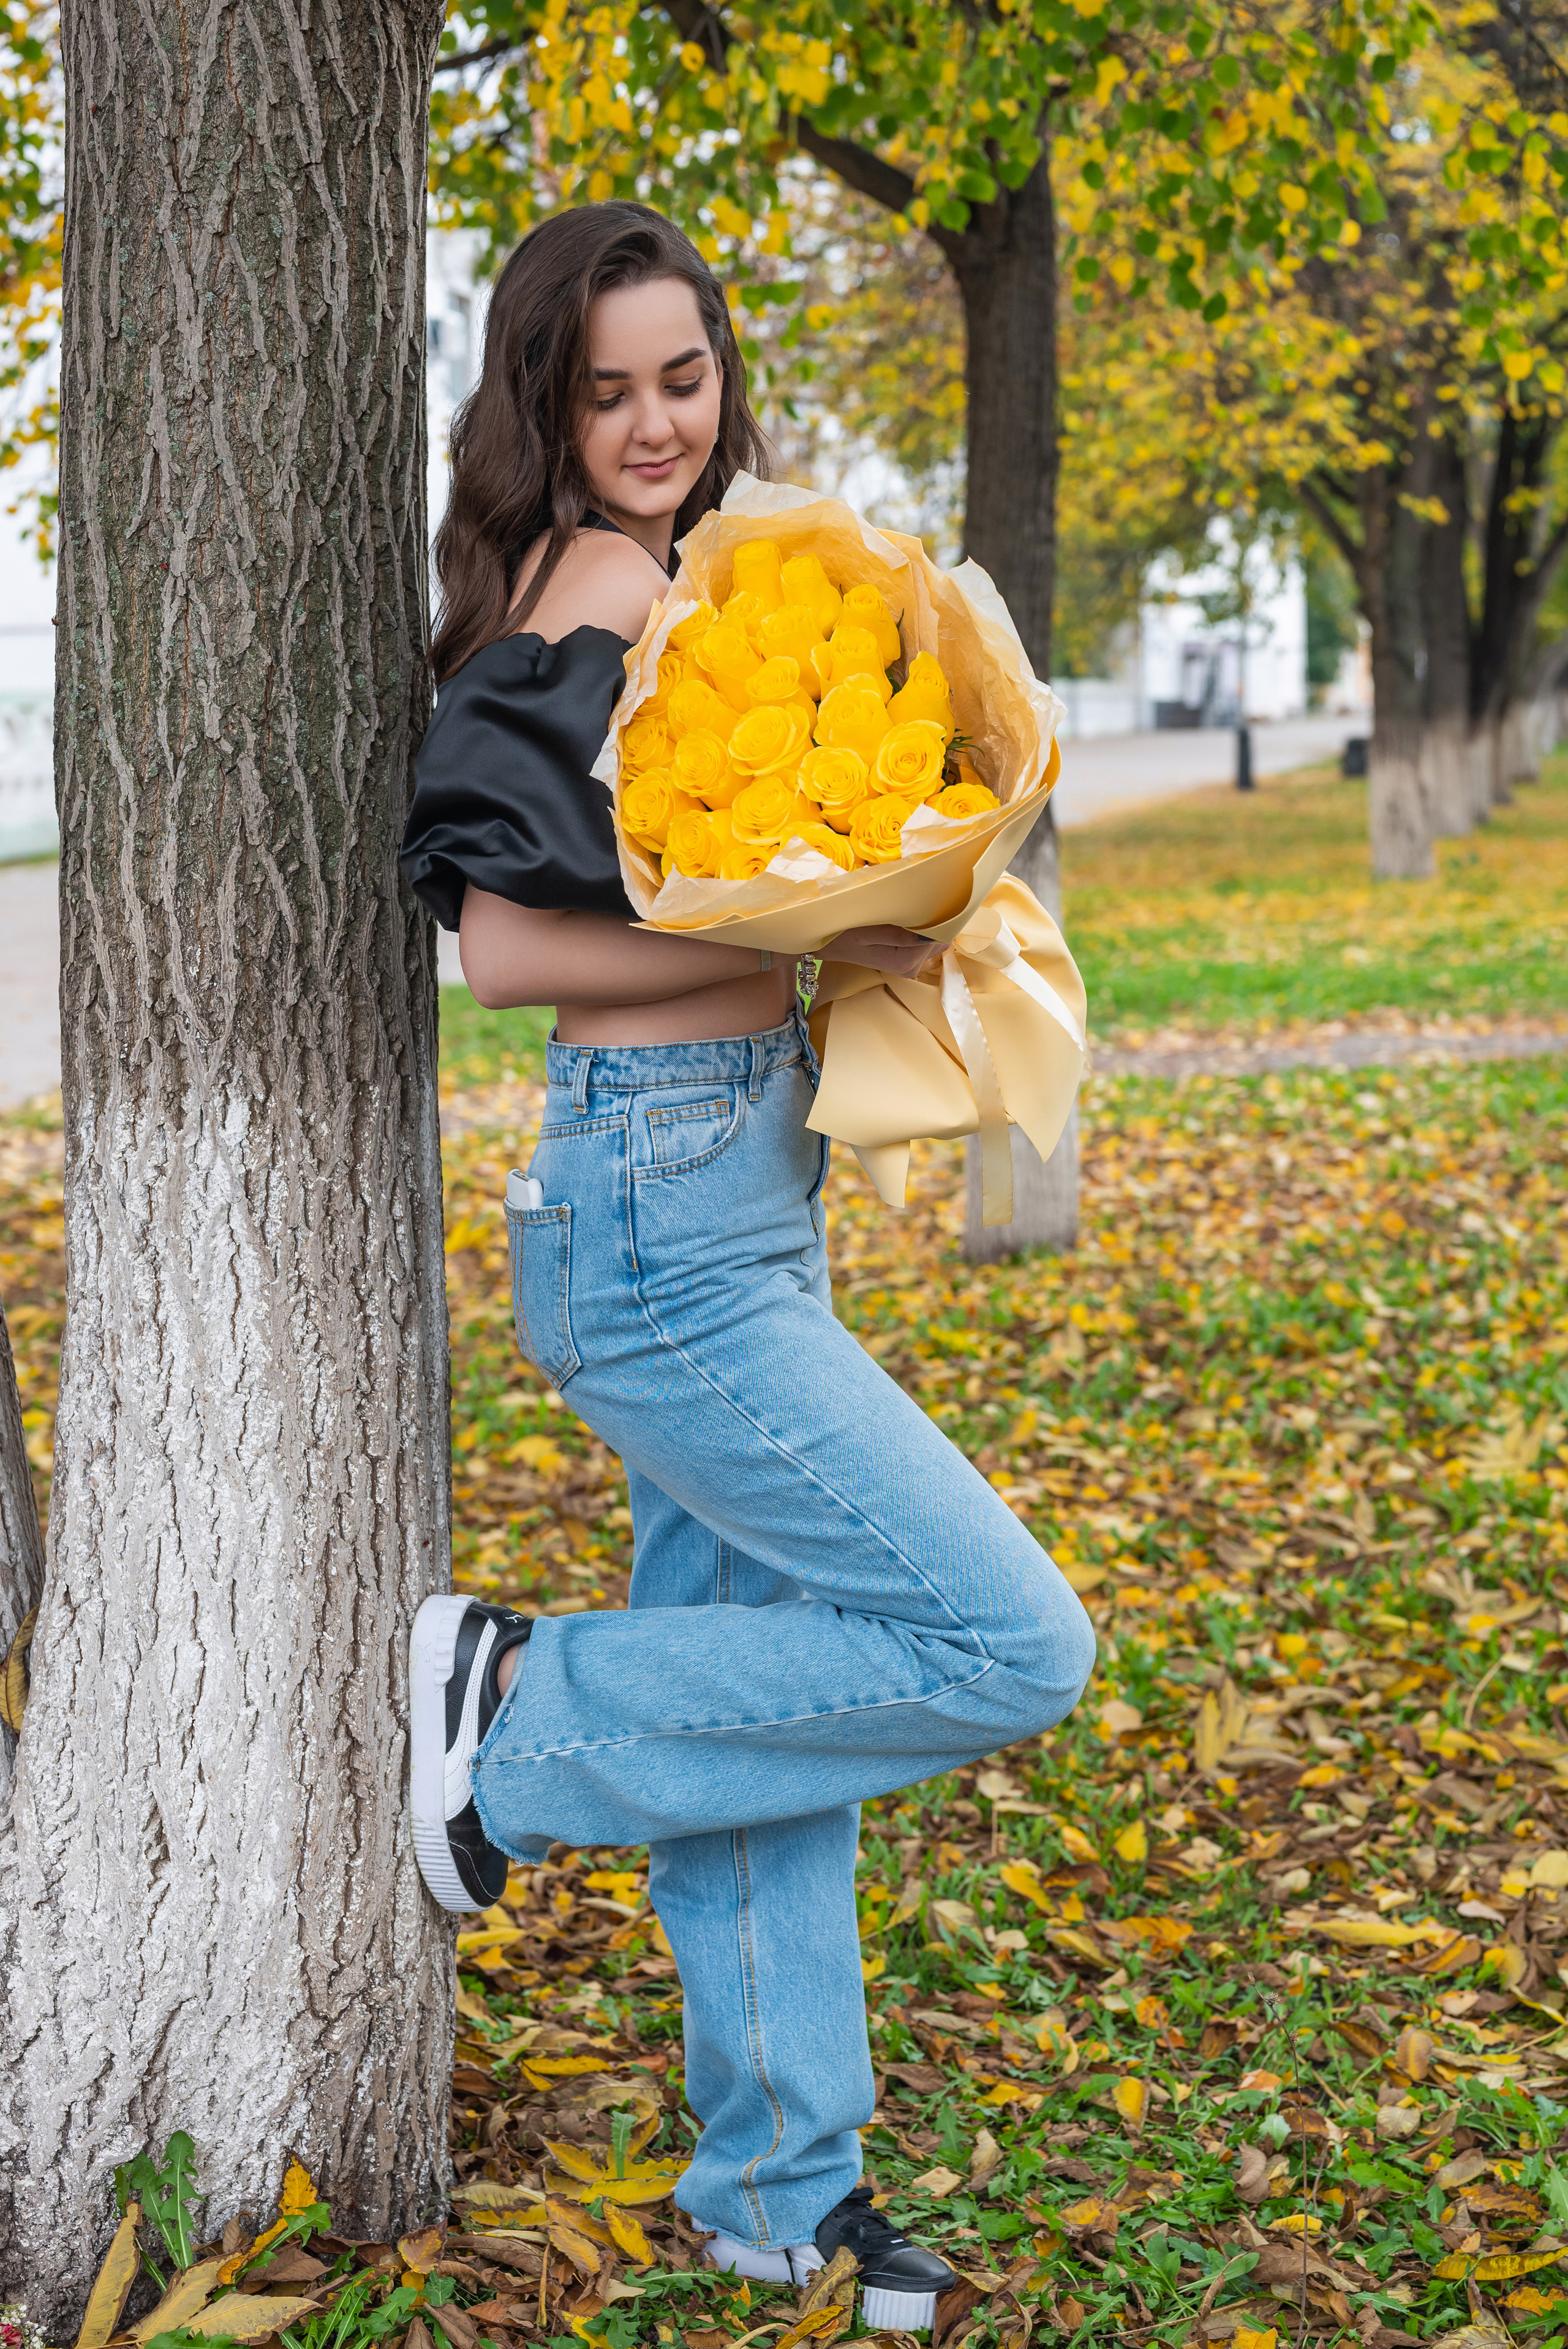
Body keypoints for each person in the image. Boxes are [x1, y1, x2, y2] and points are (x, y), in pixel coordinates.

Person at [400, 201, 1095, 2332]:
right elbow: (499, 944)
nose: (649, 422)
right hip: (660, 1228)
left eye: (680, 376)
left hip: (721, 1197)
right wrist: (824, 935)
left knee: (779, 1720)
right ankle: (519, 1717)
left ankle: (779, 2189)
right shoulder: (598, 587)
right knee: (1003, 1639)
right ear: (544, 401)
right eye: (601, 389)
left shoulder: (704, 572)